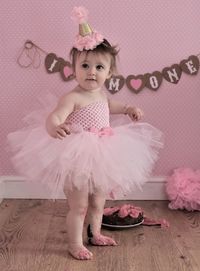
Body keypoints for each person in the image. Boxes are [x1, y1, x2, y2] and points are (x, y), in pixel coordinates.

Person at [7, 7, 163, 260]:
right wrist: (54, 127)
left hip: (102, 154)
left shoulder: (100, 93)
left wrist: (128, 108)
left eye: (99, 67)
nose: (92, 71)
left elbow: (109, 106)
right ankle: (75, 243)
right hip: (76, 155)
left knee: (98, 202)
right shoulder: (73, 96)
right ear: (74, 68)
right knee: (79, 205)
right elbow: (55, 116)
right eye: (85, 65)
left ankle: (95, 234)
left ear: (109, 72)